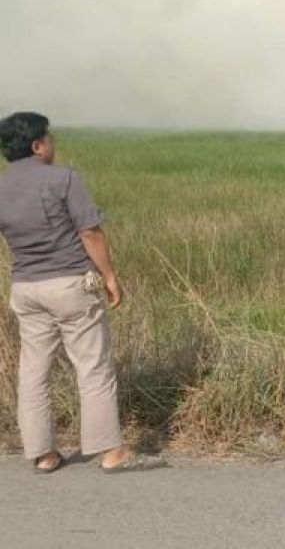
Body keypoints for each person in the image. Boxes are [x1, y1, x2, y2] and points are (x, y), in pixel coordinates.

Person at [0, 112, 162, 473]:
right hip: (71, 284)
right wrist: (110, 275)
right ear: (38, 145)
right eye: (50, 139)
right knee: (92, 366)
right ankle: (110, 451)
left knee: (33, 371)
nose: (53, 145)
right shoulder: (64, 178)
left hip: (25, 287)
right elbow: (91, 232)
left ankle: (42, 454)